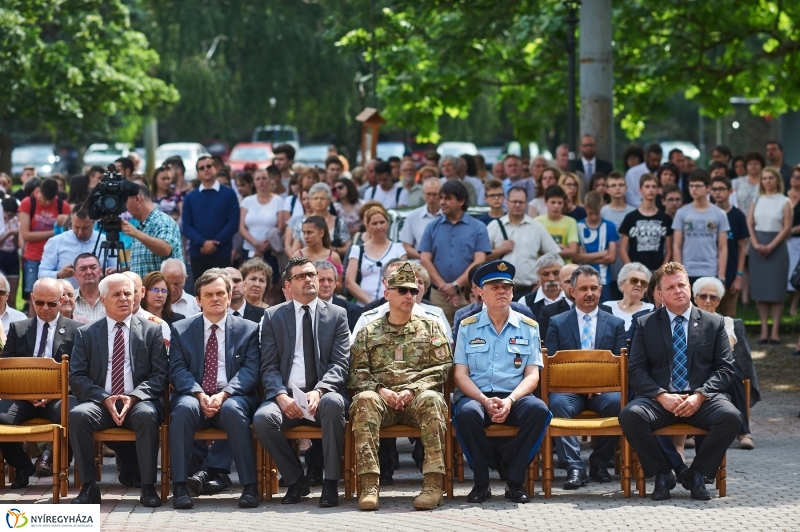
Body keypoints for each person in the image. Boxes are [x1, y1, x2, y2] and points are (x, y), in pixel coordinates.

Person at [619, 262, 742, 501]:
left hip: (702, 399)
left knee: (731, 417)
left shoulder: (713, 323)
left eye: (682, 285)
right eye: (671, 287)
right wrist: (661, 395)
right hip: (660, 400)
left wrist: (700, 395)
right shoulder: (646, 324)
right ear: (660, 294)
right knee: (630, 415)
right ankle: (662, 473)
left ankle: (697, 474)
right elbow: (636, 370)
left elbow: (725, 370)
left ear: (689, 288)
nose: (678, 290)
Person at [348, 262, 452, 511]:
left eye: (414, 291)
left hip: (415, 399)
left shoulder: (430, 326)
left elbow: (443, 367)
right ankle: (370, 484)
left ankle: (433, 484)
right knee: (364, 400)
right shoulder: (368, 331)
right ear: (387, 293)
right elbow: (355, 372)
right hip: (381, 400)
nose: (409, 296)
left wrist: (412, 390)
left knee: (433, 400)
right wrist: (380, 389)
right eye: (403, 290)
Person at [453, 260, 551, 504]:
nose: (502, 291)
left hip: (514, 395)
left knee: (539, 411)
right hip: (477, 395)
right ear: (480, 292)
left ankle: (515, 481)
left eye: (506, 287)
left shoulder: (528, 327)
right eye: (494, 287)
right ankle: (481, 482)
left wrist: (510, 400)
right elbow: (460, 374)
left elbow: (532, 375)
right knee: (465, 415)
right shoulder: (468, 327)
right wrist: (484, 400)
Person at [254, 257, 350, 507]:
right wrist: (280, 396)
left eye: (312, 274)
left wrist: (319, 390)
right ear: (288, 284)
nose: (309, 279)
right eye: (301, 276)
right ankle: (296, 480)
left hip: (324, 394)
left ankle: (330, 483)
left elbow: (340, 364)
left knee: (333, 404)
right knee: (263, 419)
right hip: (287, 396)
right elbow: (269, 366)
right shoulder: (274, 316)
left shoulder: (337, 315)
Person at [69, 274, 168, 506]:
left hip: (138, 401)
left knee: (147, 415)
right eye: (117, 294)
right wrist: (105, 399)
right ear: (103, 300)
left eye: (128, 293)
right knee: (78, 415)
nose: (124, 298)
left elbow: (161, 375)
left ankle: (147, 487)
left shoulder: (151, 331)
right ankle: (89, 487)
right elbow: (77, 377)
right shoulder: (87, 333)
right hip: (101, 403)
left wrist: (133, 397)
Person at [168, 269, 261, 509]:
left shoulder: (249, 329)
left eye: (220, 293)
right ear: (198, 300)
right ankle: (179, 487)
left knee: (232, 409)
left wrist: (223, 394)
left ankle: (249, 487)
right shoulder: (181, 329)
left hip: (232, 396)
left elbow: (250, 371)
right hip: (194, 396)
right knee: (183, 408)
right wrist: (199, 394)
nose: (215, 298)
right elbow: (177, 370)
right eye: (208, 294)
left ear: (230, 296)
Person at [545, 265, 626, 489]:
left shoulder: (616, 323)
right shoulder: (558, 322)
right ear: (572, 291)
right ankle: (575, 467)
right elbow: (551, 362)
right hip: (568, 391)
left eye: (593, 288)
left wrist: (598, 383)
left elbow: (621, 364)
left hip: (604, 391)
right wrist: (581, 384)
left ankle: (599, 462)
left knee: (619, 404)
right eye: (583, 289)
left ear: (601, 290)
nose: (589, 293)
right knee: (557, 405)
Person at [0, 278, 80, 487]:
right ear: (32, 299)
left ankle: (55, 462)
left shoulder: (76, 330)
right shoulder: (18, 329)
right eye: (40, 303)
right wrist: (26, 394)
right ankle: (23, 465)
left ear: (61, 300)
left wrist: (56, 392)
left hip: (59, 397)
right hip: (23, 398)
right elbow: (5, 369)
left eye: (52, 303)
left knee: (75, 417)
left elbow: (81, 371)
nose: (45, 308)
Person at [692, 277, 755, 450]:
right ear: (695, 298)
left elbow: (728, 346)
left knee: (732, 374)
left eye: (713, 297)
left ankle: (744, 431)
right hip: (696, 365)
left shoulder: (724, 321)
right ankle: (689, 432)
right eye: (703, 296)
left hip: (722, 364)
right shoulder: (687, 320)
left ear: (719, 301)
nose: (707, 301)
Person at [419, 181, 491, 323]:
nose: (442, 202)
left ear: (461, 201)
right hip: (439, 295)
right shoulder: (432, 227)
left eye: (447, 198)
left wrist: (456, 285)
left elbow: (480, 260)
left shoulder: (478, 227)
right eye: (441, 198)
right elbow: (425, 259)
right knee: (438, 336)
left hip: (468, 294)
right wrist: (444, 287)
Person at [486, 186, 560, 297]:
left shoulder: (537, 227)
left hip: (529, 291)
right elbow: (481, 259)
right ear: (507, 202)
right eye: (514, 201)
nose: (517, 205)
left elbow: (554, 257)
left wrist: (543, 280)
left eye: (521, 202)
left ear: (526, 204)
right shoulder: (494, 226)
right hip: (500, 290)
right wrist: (500, 250)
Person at [746, 167, 792, 344]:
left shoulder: (785, 201)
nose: (767, 181)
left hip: (777, 246)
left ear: (777, 180)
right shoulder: (756, 199)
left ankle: (775, 330)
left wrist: (771, 246)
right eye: (764, 178)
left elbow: (787, 227)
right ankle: (764, 328)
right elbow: (750, 223)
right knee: (761, 290)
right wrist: (756, 244)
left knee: (776, 290)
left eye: (771, 178)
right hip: (758, 246)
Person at [182, 155, 240, 281]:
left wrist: (215, 243)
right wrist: (203, 242)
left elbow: (233, 222)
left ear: (216, 169)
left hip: (222, 251)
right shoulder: (190, 197)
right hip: (198, 252)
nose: (206, 169)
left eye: (209, 166)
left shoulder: (229, 194)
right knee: (201, 293)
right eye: (201, 168)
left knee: (223, 290)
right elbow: (186, 225)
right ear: (198, 173)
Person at [19, 178, 72, 307]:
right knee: (34, 298)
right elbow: (26, 235)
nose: (47, 202)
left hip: (55, 257)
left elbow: (69, 233)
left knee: (56, 296)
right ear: (38, 191)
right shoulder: (28, 203)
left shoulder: (62, 205)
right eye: (44, 199)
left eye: (50, 200)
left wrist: (66, 222)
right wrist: (54, 232)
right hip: (33, 256)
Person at [672, 171, 729, 284]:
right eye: (691, 186)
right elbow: (676, 245)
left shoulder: (720, 214)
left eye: (697, 186)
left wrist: (721, 274)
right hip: (687, 270)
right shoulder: (681, 213)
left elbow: (723, 247)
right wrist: (678, 273)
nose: (694, 189)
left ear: (708, 188)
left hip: (711, 270)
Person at [346, 207, 407, 306]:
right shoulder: (357, 249)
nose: (379, 227)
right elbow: (349, 282)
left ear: (388, 223)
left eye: (382, 222)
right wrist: (371, 304)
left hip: (391, 306)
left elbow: (403, 279)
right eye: (374, 223)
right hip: (363, 306)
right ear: (368, 226)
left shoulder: (398, 249)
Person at [123, 184, 184, 279]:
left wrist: (137, 234)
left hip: (163, 293)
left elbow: (165, 249)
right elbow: (144, 263)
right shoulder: (140, 226)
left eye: (125, 201)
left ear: (137, 199)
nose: (125, 207)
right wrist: (122, 269)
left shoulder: (162, 221)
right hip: (144, 292)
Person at [39, 210, 113, 288]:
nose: (80, 232)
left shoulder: (106, 241)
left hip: (99, 296)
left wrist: (107, 273)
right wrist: (59, 274)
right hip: (66, 297)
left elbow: (115, 271)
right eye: (76, 227)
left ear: (93, 222)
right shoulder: (56, 242)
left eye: (85, 228)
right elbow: (41, 274)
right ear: (71, 222)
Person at [710, 176, 748, 318]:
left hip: (731, 273)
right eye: (714, 189)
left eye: (721, 189)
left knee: (728, 318)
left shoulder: (738, 216)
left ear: (730, 191)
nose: (717, 192)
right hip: (709, 270)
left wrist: (739, 276)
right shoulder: (707, 213)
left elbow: (742, 248)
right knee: (707, 317)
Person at [619, 173, 674, 273]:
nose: (651, 190)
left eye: (654, 187)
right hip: (635, 271)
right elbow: (622, 250)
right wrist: (632, 270)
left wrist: (661, 272)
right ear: (640, 190)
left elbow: (669, 251)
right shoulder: (630, 218)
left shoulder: (665, 219)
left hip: (657, 271)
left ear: (658, 190)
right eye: (647, 186)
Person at [239, 166, 282, 284]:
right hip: (249, 248)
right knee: (249, 283)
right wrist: (255, 244)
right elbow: (242, 227)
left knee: (270, 284)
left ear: (269, 180)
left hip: (270, 249)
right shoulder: (247, 201)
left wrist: (264, 246)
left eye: (264, 178)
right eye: (258, 179)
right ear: (254, 182)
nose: (261, 181)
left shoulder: (278, 200)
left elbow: (280, 226)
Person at [575, 192, 619, 301]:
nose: (594, 217)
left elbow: (612, 258)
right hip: (581, 279)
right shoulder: (578, 226)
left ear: (602, 207)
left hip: (603, 281)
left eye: (597, 213)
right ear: (585, 207)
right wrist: (603, 253)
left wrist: (585, 257)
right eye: (590, 213)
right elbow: (576, 257)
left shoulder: (609, 226)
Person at [290, 183, 351, 259]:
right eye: (315, 198)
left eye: (322, 198)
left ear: (329, 201)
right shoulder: (303, 223)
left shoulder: (339, 223)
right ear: (310, 201)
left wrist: (333, 250)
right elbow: (295, 249)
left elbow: (348, 248)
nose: (319, 201)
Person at [314, 260, 362, 331]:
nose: (326, 284)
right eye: (321, 280)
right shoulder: (302, 309)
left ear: (335, 284)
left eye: (330, 280)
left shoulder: (352, 311)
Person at [399, 177, 441, 259]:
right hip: (420, 266)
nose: (431, 198)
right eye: (428, 194)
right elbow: (406, 246)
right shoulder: (413, 216)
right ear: (423, 193)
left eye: (435, 194)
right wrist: (425, 258)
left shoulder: (448, 215)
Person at [535, 185, 579, 263]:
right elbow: (535, 249)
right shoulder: (537, 221)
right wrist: (559, 249)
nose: (556, 206)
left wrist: (545, 250)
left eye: (559, 203)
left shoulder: (571, 222)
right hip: (543, 269)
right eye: (553, 202)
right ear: (545, 202)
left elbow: (573, 251)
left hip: (564, 269)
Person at [606, 262, 654, 330]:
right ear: (622, 284)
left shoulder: (651, 310)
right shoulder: (607, 307)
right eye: (634, 280)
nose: (639, 284)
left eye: (643, 283)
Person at [520, 252, 566, 319]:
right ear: (538, 276)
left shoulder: (572, 298)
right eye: (545, 274)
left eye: (556, 273)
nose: (551, 279)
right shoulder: (525, 302)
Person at [71, 253, 106, 324]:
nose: (89, 272)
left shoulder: (112, 299)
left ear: (100, 271)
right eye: (83, 269)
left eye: (93, 267)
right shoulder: (68, 301)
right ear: (74, 274)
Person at [732, 151, 764, 219]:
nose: (753, 166)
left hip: (760, 218)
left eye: (756, 164)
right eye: (750, 164)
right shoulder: (739, 181)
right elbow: (733, 200)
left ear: (761, 165)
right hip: (741, 217)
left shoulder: (765, 181)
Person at [0, 198, 20, 302]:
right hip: (1, 254)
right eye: (9, 214)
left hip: (12, 256)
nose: (11, 217)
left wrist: (17, 237)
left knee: (11, 296)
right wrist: (10, 233)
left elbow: (18, 245)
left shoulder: (15, 221)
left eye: (13, 215)